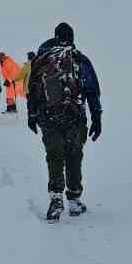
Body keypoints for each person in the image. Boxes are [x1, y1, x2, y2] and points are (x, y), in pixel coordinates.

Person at [27, 22, 102, 221]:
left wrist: (31, 115)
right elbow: (92, 91)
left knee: (54, 156)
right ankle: (75, 201)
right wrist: (97, 118)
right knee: (74, 156)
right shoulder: (78, 58)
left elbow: (31, 90)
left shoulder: (41, 59)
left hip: (48, 116)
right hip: (74, 116)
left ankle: (56, 198)